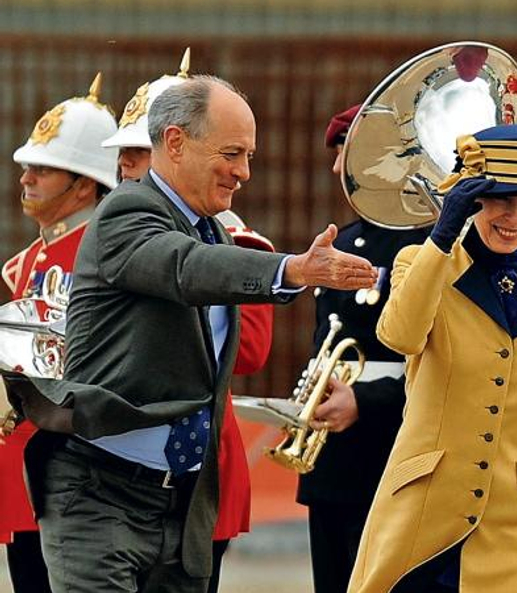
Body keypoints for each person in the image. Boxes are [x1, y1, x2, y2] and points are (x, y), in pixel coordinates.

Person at [3, 74, 376, 593]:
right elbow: (185, 267)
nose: (244, 172)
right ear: (175, 143)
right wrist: (291, 270)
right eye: (231, 153)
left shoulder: (215, 230)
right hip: (100, 493)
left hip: (182, 503)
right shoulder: (125, 212)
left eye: (248, 156)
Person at [349, 123, 517, 593]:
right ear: (471, 202)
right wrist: (440, 239)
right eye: (499, 200)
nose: (515, 217)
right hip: (421, 522)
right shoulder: (421, 264)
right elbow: (399, 335)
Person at [101, 52, 275, 593]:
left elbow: (249, 353)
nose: (127, 167)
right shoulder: (114, 228)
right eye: (125, 154)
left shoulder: (233, 242)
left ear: (172, 147)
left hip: (196, 459)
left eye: (138, 152)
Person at [295, 104, 430, 593]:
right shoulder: (345, 241)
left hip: (391, 450)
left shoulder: (428, 245)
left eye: (347, 154)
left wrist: (366, 403)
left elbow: (442, 365)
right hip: (333, 461)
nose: (337, 168)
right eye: (336, 155)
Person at [0, 73, 118, 593]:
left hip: (80, 470)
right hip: (26, 466)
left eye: (42, 169)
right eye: (27, 167)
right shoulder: (24, 263)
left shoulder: (106, 254)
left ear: (84, 183)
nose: (25, 178)